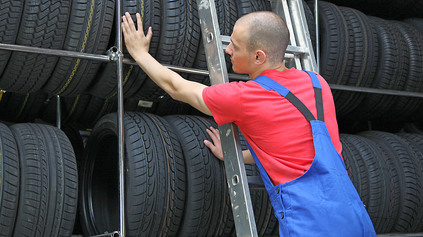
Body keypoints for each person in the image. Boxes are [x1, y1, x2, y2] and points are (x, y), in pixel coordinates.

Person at [122, 10, 376, 236]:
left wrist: (139, 53)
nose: (227, 50)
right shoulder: (317, 83)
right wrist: (237, 155)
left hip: (312, 226)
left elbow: (176, 87)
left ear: (258, 56)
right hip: (355, 217)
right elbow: (298, 147)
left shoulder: (244, 97)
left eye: (235, 46)